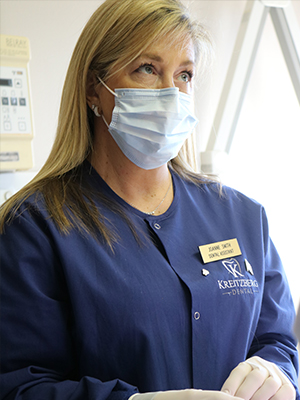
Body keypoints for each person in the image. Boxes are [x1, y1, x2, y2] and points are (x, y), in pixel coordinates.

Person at [0, 0, 299, 399]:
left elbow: (279, 342)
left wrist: (276, 372)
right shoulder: (36, 227)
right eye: (147, 69)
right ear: (94, 89)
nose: (171, 94)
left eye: (184, 75)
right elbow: (19, 385)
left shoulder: (242, 216)